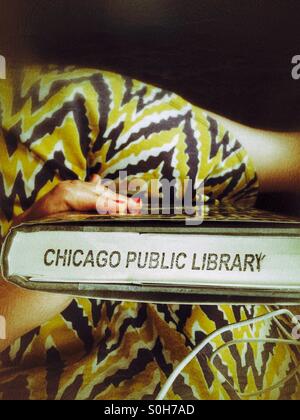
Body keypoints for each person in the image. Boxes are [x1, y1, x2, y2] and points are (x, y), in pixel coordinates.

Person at [0, 65, 299, 400]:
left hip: (41, 217)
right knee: (214, 362)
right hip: (33, 343)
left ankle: (291, 159)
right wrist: (15, 293)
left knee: (68, 110)